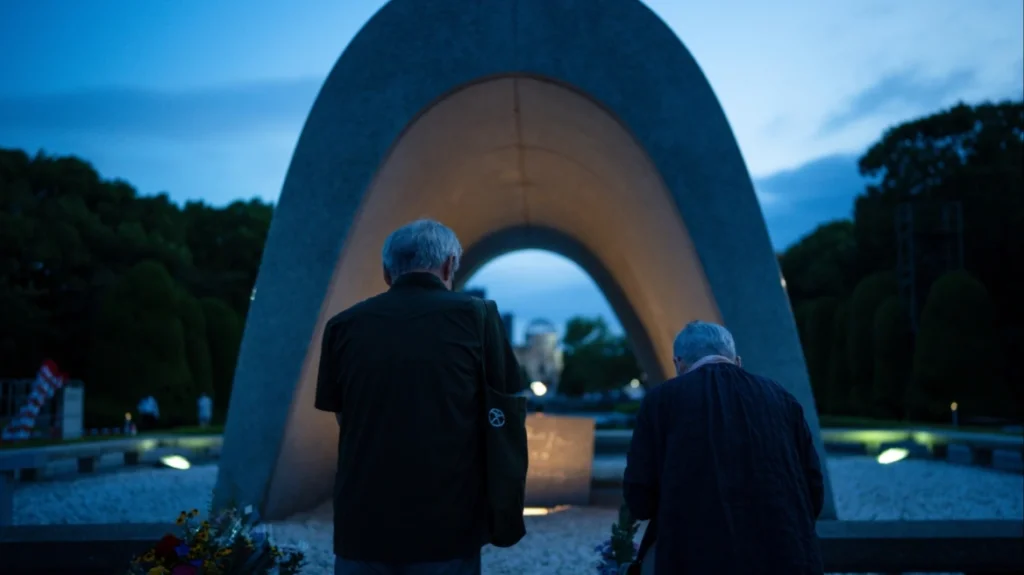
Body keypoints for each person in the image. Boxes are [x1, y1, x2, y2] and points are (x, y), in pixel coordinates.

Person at [314, 219, 527, 575]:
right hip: (447, 519)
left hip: (362, 519)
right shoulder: (477, 316)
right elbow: (504, 404)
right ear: (449, 265)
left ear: (387, 272)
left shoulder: (343, 325)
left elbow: (342, 415)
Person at [623, 321, 825, 575]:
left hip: (693, 554)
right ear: (737, 361)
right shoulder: (781, 397)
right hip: (783, 551)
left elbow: (639, 497)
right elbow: (813, 486)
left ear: (678, 363)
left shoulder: (661, 401)